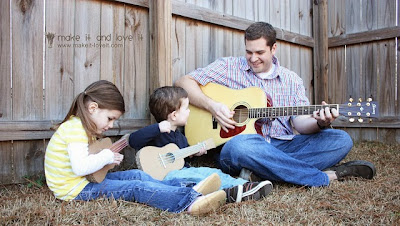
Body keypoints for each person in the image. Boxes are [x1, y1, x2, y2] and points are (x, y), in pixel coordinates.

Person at [175, 22, 376, 187]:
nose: (253, 59)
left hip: (283, 145)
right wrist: (212, 106)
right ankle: (324, 177)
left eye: (260, 52)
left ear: (273, 48)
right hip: (243, 146)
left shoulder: (292, 80)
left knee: (341, 140)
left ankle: (262, 172)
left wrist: (321, 123)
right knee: (240, 146)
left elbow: (300, 124)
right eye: (248, 52)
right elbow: (183, 82)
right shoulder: (228, 67)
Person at [44, 80, 226, 216]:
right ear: (92, 108)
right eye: (110, 118)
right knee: (135, 187)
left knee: (138, 175)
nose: (112, 125)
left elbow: (85, 164)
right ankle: (189, 203)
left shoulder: (79, 126)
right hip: (75, 190)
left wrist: (108, 158)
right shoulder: (75, 129)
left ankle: (191, 188)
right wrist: (107, 156)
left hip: (81, 182)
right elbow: (80, 167)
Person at [128, 86, 273, 203]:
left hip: (182, 173)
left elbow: (182, 160)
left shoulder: (180, 137)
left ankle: (242, 185)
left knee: (210, 173)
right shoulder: (156, 132)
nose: (189, 112)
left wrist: (195, 154)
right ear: (174, 115)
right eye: (186, 108)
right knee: (203, 176)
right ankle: (239, 188)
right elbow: (133, 140)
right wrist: (157, 128)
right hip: (168, 177)